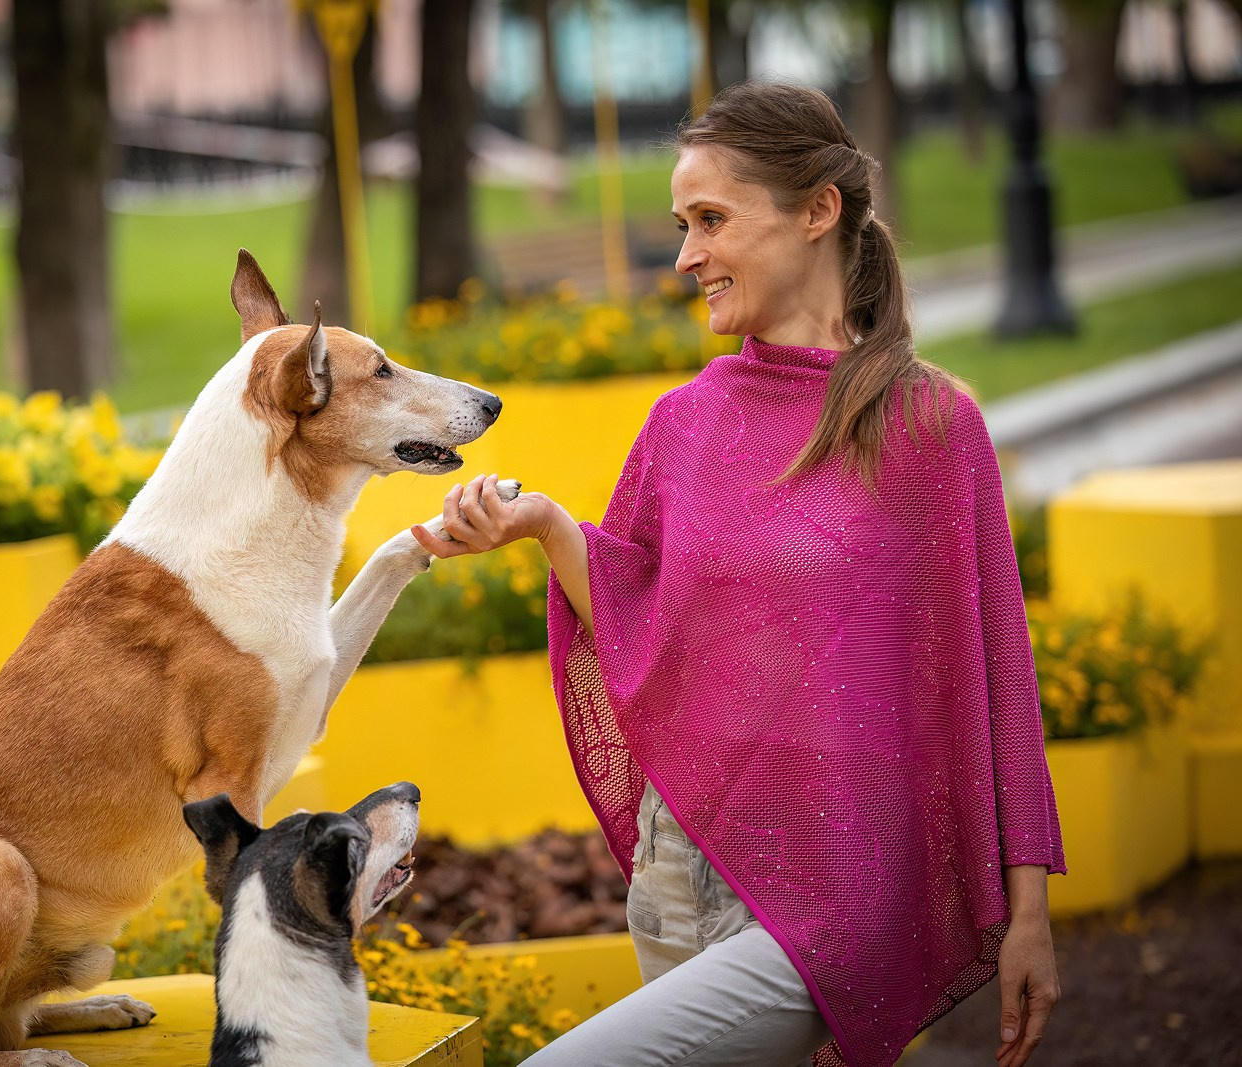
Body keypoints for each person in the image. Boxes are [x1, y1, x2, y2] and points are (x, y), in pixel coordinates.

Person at [410, 82, 1066, 1067]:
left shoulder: (929, 425)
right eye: (683, 225)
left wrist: (1030, 912)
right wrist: (543, 524)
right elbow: (637, 607)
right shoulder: (685, 421)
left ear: (817, 210)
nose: (685, 256)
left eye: (710, 219)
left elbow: (998, 677)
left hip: (833, 900)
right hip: (677, 874)